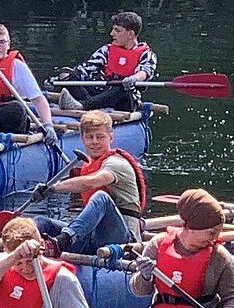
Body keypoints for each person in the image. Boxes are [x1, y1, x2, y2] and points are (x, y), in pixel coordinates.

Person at [30, 110, 147, 257]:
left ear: (111, 137)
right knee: (40, 223)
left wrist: (52, 188)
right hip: (92, 238)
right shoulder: (91, 164)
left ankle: (61, 242)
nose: (95, 142)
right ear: (82, 139)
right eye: (89, 137)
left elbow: (92, 182)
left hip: (122, 240)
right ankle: (28, 253)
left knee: (101, 197)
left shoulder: (116, 163)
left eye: (100, 137)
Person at [54, 12, 158, 112]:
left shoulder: (147, 54)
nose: (112, 34)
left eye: (117, 31)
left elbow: (145, 72)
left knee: (122, 88)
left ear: (130, 34)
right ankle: (87, 104)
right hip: (102, 92)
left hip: (125, 98)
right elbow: (86, 69)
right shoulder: (106, 50)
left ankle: (83, 106)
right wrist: (60, 78)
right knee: (66, 72)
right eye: (113, 29)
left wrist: (133, 78)